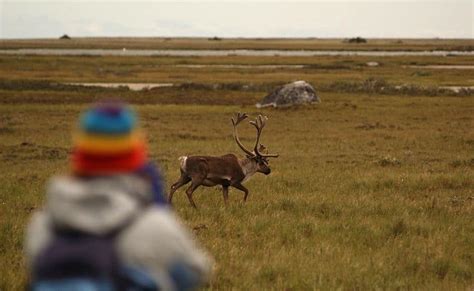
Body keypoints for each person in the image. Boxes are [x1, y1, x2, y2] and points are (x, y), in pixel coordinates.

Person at [24, 102, 212, 291]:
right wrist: (158, 208)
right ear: (136, 159)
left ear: (80, 158)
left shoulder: (43, 225)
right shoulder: (154, 224)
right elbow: (196, 272)